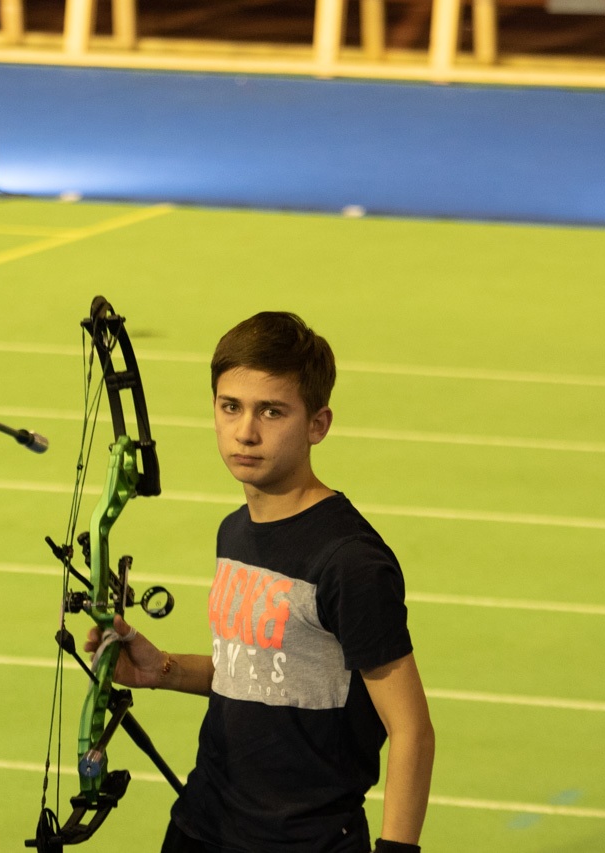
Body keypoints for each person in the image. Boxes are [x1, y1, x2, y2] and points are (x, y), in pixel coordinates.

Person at [89, 312, 435, 853]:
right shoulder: (235, 530)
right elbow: (259, 671)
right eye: (231, 407)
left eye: (272, 411)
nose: (245, 432)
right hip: (201, 827)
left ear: (318, 424)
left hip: (306, 841)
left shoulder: (350, 561)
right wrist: (163, 669)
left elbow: (411, 729)